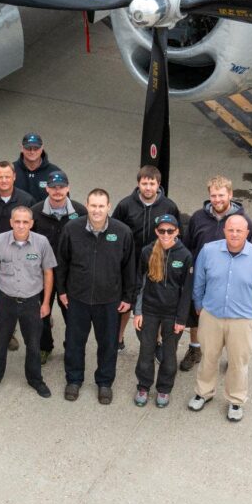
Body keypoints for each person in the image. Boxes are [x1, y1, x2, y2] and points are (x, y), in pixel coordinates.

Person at [188, 215, 252, 422]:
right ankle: (203, 393)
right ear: (224, 231)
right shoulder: (209, 251)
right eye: (230, 230)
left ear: (247, 233)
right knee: (208, 356)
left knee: (238, 362)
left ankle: (236, 400)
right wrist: (199, 305)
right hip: (211, 316)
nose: (234, 234)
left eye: (239, 231)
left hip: (242, 321)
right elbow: (198, 280)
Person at [57, 189, 136, 405]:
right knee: (74, 342)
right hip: (77, 298)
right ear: (87, 205)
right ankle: (73, 380)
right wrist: (62, 291)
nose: (97, 210)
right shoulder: (72, 229)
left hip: (109, 300)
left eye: (101, 206)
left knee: (108, 344)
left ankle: (104, 383)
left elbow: (129, 267)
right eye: (93, 206)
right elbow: (62, 263)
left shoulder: (122, 232)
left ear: (109, 207)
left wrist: (128, 297)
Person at [179, 175, 252, 372]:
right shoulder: (198, 218)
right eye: (213, 195)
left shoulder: (243, 221)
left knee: (231, 321)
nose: (217, 200)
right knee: (196, 316)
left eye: (221, 195)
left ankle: (233, 355)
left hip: (231, 281)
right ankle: (195, 349)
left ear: (230, 194)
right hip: (202, 279)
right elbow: (188, 247)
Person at [0, 206, 56, 397]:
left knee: (33, 344)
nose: (21, 225)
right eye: (17, 221)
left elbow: (48, 273)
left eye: (25, 222)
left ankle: (35, 379)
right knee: (0, 341)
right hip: (5, 300)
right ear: (11, 222)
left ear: (31, 223)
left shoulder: (41, 243)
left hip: (31, 301)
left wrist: (45, 303)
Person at [111, 165, 180, 350]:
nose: (148, 187)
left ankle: (156, 342)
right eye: (144, 183)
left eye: (152, 183)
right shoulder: (125, 205)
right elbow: (114, 230)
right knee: (125, 301)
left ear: (158, 184)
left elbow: (175, 233)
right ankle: (118, 339)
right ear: (138, 184)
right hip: (130, 262)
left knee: (155, 305)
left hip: (157, 261)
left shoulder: (169, 206)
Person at [131, 214, 192, 408]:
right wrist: (137, 312)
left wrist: (181, 319)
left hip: (172, 314)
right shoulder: (147, 251)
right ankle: (143, 386)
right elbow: (139, 284)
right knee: (146, 352)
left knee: (168, 355)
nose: (166, 234)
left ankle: (164, 389)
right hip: (149, 310)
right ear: (156, 231)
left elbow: (187, 291)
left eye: (170, 231)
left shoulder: (185, 256)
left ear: (177, 232)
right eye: (162, 230)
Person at [30, 170, 86, 364]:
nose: (57, 191)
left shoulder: (80, 212)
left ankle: (70, 347)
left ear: (68, 188)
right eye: (53, 187)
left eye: (61, 187)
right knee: (41, 312)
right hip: (42, 272)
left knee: (72, 313)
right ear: (47, 189)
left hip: (70, 273)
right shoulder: (35, 211)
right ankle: (45, 347)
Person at [0, 161, 35, 351]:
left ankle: (10, 333)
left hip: (18, 257)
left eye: (7, 176)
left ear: (14, 177)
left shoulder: (26, 199)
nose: (3, 180)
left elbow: (31, 229)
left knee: (12, 295)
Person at [13, 133, 61, 199]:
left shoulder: (54, 172)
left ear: (42, 148)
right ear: (22, 148)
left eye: (36, 148)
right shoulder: (11, 170)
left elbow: (63, 200)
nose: (32, 152)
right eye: (28, 148)